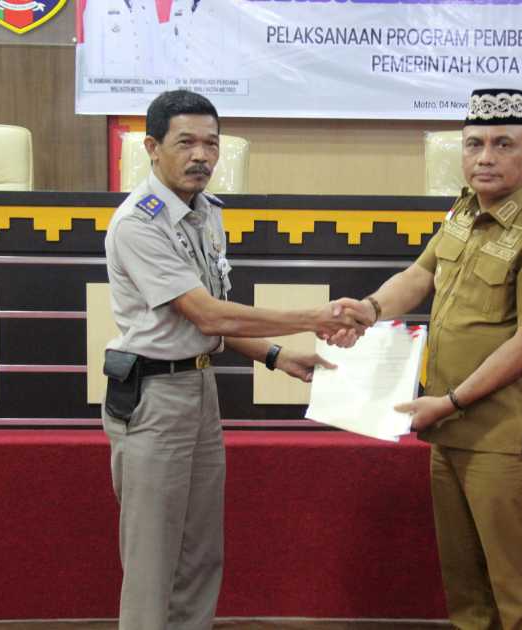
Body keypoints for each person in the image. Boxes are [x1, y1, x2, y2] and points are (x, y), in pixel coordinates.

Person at [102, 89, 371, 630]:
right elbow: (208, 315)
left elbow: (215, 317)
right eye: (186, 143)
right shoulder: (139, 223)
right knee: (153, 561)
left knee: (201, 554)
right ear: (152, 148)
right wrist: (315, 317)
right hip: (154, 399)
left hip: (200, 393)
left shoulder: (205, 214)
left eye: (211, 144)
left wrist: (276, 356)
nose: (201, 156)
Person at [333, 88, 522, 630]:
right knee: (466, 588)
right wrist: (370, 309)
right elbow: (419, 275)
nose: (485, 157)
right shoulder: (463, 212)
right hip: (448, 428)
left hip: (501, 437)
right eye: (474, 144)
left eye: (502, 144)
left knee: (518, 589)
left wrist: (448, 402)